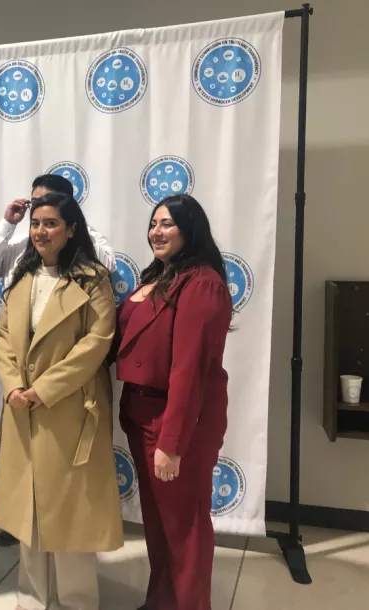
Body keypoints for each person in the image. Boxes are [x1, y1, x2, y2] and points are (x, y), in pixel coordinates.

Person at [0, 192, 123, 610]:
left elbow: (96, 343)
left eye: (50, 223)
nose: (40, 231)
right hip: (22, 409)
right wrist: (13, 386)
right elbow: (4, 337)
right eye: (35, 224)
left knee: (71, 515)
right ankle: (32, 597)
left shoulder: (92, 279)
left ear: (71, 230)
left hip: (68, 408)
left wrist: (43, 390)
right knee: (26, 509)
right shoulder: (22, 277)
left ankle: (78, 601)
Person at [115, 194, 233, 610]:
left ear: (190, 229)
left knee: (184, 530)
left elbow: (189, 368)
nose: (156, 232)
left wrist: (172, 442)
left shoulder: (200, 282)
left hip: (176, 421)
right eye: (153, 223)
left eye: (167, 224)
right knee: (160, 526)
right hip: (141, 413)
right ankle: (161, 601)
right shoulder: (160, 277)